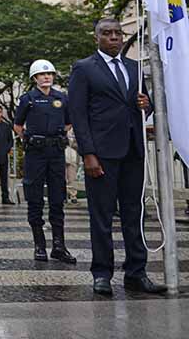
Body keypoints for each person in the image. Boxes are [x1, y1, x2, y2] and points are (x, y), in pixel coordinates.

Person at [68, 18, 167, 295]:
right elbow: (78, 114)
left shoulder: (134, 68)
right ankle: (102, 273)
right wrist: (88, 153)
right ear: (96, 37)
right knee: (101, 216)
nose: (114, 37)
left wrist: (146, 106)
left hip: (133, 151)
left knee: (135, 214)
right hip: (102, 154)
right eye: (107, 33)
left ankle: (137, 272)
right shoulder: (84, 68)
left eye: (117, 33)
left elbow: (144, 106)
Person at [13, 60, 76, 264]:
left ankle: (59, 246)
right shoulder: (28, 99)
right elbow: (17, 125)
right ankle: (39, 245)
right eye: (42, 74)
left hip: (56, 151)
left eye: (49, 74)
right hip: (35, 153)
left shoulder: (62, 98)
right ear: (35, 78)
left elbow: (68, 122)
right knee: (35, 197)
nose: (46, 77)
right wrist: (32, 139)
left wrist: (54, 137)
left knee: (58, 197)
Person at [64, 132, 80, 204]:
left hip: (73, 154)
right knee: (61, 176)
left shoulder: (74, 127)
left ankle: (73, 195)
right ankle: (63, 195)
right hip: (62, 153)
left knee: (72, 177)